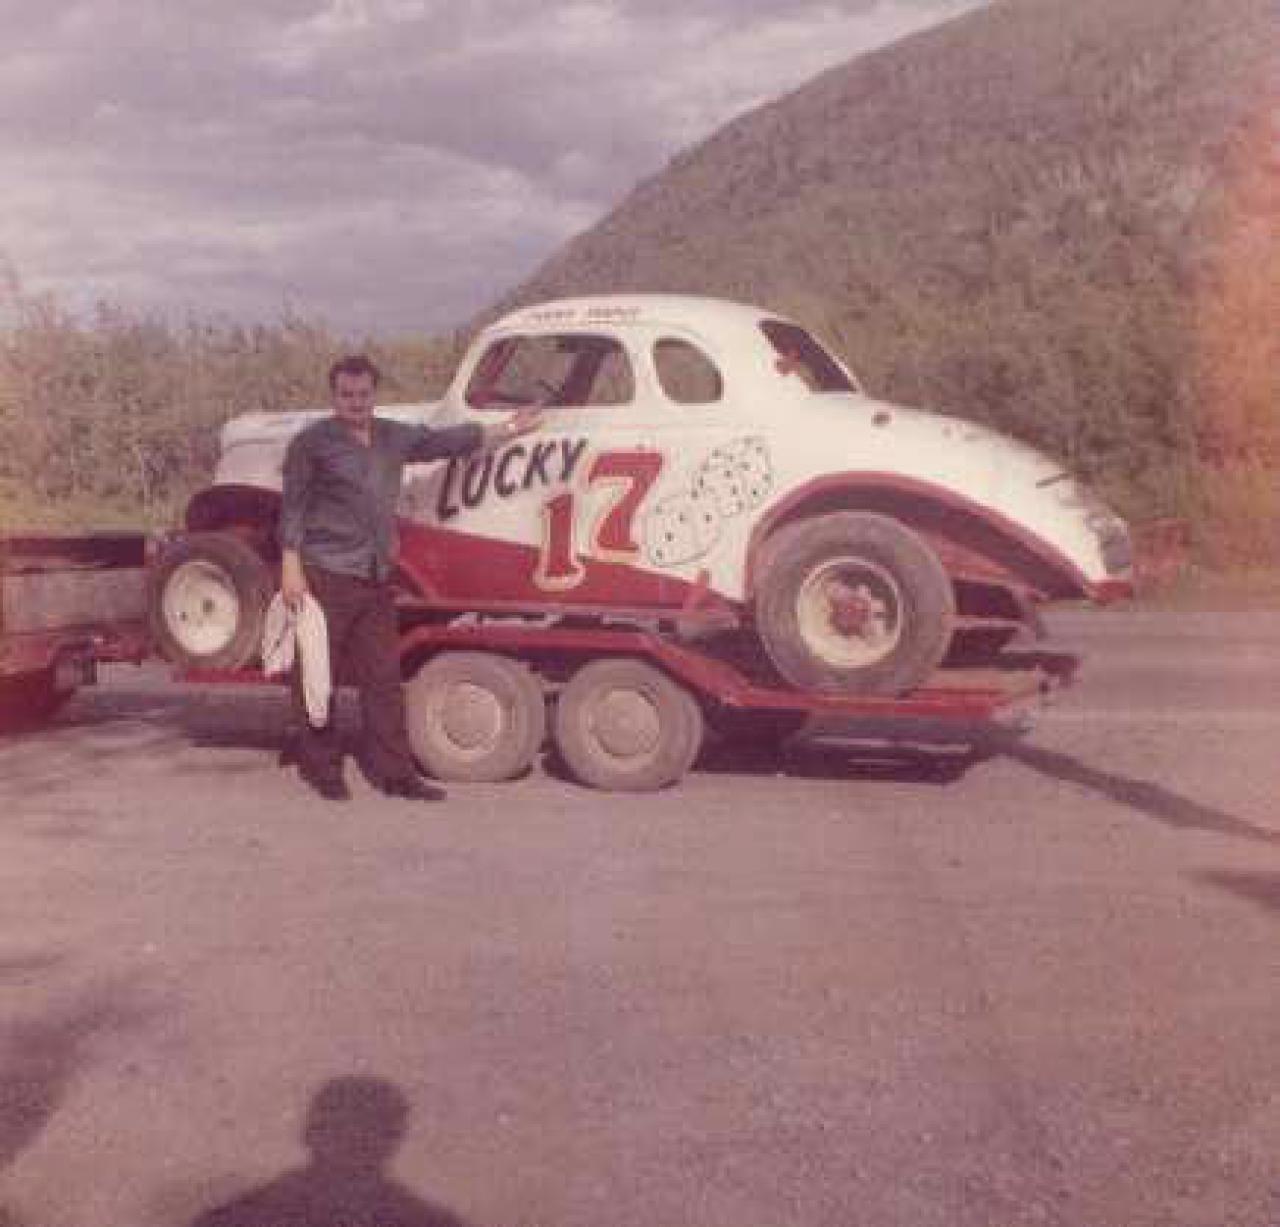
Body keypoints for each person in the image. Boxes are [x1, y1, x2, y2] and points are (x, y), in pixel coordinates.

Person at [279, 354, 541, 802]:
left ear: (374, 394)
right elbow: (293, 507)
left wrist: (511, 428)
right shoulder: (311, 443)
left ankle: (396, 775)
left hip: (377, 575)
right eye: (346, 395)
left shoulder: (393, 437)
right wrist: (291, 568)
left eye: (363, 394)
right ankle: (323, 769)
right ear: (334, 395)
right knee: (316, 678)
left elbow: (446, 442)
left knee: (383, 680)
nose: (355, 402)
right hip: (326, 574)